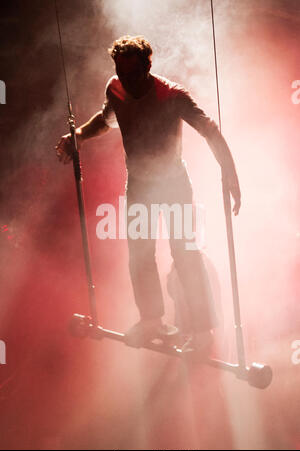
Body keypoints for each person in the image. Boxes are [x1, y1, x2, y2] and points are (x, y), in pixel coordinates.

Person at [56, 35, 241, 353]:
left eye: (132, 74)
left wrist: (230, 174)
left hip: (173, 185)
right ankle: (152, 320)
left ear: (147, 67)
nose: (126, 80)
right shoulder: (115, 88)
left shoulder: (171, 95)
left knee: (185, 255)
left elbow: (209, 130)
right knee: (140, 255)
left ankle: (202, 331)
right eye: (121, 73)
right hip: (140, 185)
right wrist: (79, 135)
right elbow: (107, 119)